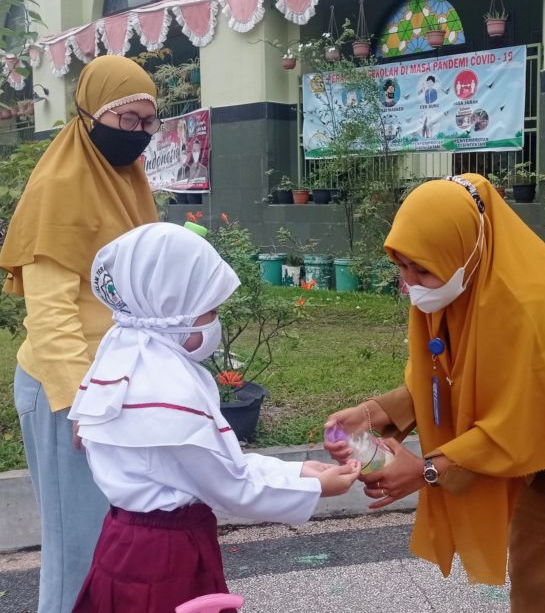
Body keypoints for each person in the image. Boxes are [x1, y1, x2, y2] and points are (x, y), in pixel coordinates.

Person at [324, 174, 545, 611]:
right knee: (538, 583)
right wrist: (373, 413)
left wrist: (427, 470)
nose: (409, 283)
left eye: (422, 269)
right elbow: (445, 378)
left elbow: (519, 427)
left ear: (464, 250)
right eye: (402, 266)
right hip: (544, 451)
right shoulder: (463, 284)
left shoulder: (526, 306)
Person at [68, 223, 361, 612]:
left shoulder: (118, 355)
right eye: (210, 309)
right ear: (171, 305)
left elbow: (188, 466)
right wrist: (315, 487)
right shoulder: (169, 389)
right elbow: (230, 485)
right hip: (167, 557)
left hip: (121, 543)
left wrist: (296, 472)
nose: (213, 323)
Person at [0, 55, 162, 612]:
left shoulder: (125, 181)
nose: (138, 135)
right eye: (127, 121)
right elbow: (51, 317)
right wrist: (78, 405)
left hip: (118, 383)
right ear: (91, 114)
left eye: (148, 122)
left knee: (118, 546)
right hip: (68, 393)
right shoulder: (61, 188)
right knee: (79, 548)